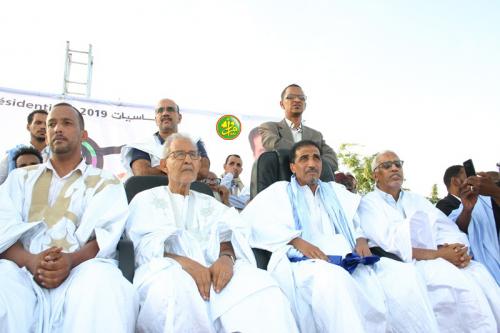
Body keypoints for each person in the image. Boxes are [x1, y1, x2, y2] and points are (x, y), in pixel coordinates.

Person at [241, 140, 439, 333]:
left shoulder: (336, 191)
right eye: (304, 159)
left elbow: (357, 221)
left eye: (316, 158)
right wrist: (296, 240)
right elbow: (253, 221)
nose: (311, 163)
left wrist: (361, 239)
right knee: (335, 280)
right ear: (293, 167)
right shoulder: (279, 191)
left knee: (404, 274)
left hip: (349, 256)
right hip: (304, 262)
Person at [126, 133, 298, 333]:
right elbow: (141, 246)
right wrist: (185, 263)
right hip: (165, 270)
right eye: (180, 154)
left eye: (193, 155)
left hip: (216, 269)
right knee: (173, 292)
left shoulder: (209, 202)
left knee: (263, 287)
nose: (188, 160)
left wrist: (226, 258)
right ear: (164, 165)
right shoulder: (145, 199)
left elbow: (229, 236)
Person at [0, 103, 138, 332]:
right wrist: (30, 261)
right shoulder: (19, 179)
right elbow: (2, 229)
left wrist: (70, 261)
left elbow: (105, 237)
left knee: (106, 284)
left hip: (81, 269)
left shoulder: (106, 182)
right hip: (21, 269)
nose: (57, 129)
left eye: (66, 123)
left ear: (83, 135)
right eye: (52, 124)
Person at [357, 150, 500, 332]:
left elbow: (445, 228)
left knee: (477, 273)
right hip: (403, 264)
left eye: (398, 164)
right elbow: (387, 244)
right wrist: (439, 255)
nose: (394, 168)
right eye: (387, 166)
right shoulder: (368, 203)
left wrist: (457, 251)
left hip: (438, 257)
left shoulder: (417, 200)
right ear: (375, 174)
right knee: (445, 284)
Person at [121, 98, 210, 179]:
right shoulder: (142, 145)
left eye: (170, 110)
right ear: (156, 120)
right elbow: (142, 173)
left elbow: (203, 171)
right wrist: (185, 168)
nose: (165, 113)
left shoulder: (194, 141)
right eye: (160, 111)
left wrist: (160, 168)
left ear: (179, 118)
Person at [259, 84, 338, 173]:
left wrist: (311, 166)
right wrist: (312, 156)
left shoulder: (316, 135)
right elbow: (273, 145)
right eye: (290, 97)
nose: (297, 100)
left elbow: (332, 161)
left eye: (301, 98)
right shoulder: (269, 127)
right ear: (282, 104)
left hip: (311, 184)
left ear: (305, 105)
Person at [447, 170, 500, 283]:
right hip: (488, 276)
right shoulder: (477, 201)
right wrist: (467, 210)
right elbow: (455, 230)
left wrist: (496, 192)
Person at [0, 109, 50, 184]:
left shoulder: (59, 156)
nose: (43, 127)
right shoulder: (12, 155)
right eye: (38, 123)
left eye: (47, 124)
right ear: (28, 127)